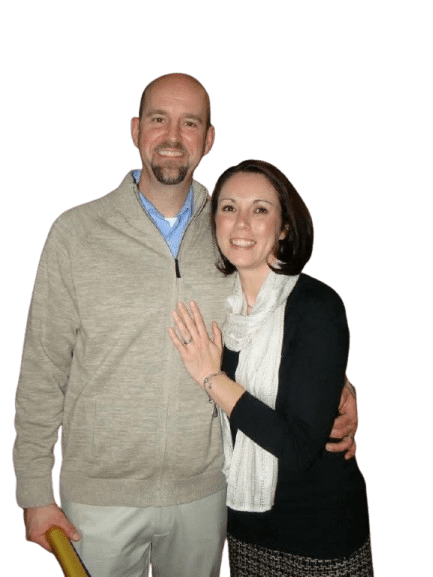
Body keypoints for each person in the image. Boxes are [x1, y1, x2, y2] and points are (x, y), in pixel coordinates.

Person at [13, 73, 358, 577]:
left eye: (190, 123)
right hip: (99, 499)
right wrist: (33, 492)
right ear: (136, 130)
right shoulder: (76, 233)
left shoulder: (231, 232)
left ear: (208, 139)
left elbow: (274, 321)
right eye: (159, 119)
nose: (173, 136)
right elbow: (42, 368)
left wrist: (336, 388)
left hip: (206, 494)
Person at [169, 158, 374, 576]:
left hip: (319, 535)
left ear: (284, 227)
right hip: (245, 528)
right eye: (229, 208)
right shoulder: (220, 308)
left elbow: (298, 448)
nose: (241, 223)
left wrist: (212, 378)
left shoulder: (316, 306)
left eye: (260, 209)